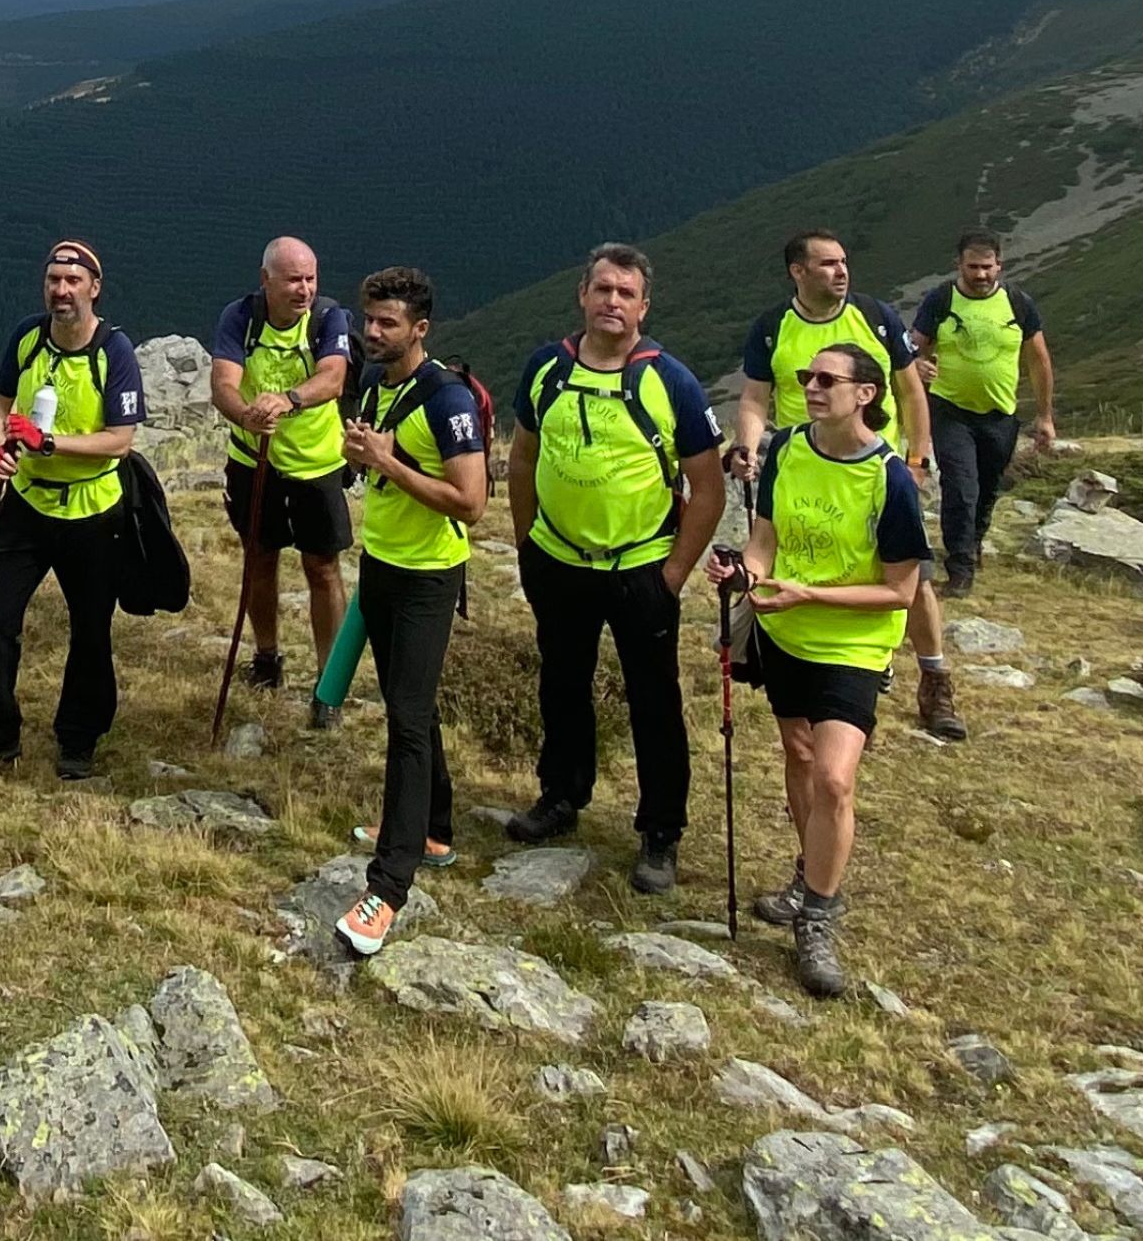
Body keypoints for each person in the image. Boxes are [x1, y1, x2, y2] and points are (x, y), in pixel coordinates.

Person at [498, 243, 725, 895]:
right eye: (603, 289)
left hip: (641, 568)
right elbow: (521, 459)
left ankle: (660, 832)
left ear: (644, 306)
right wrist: (528, 547)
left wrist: (673, 574)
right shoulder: (546, 370)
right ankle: (561, 797)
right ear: (582, 295)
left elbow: (706, 489)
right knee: (561, 683)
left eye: (626, 294)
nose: (613, 303)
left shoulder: (671, 382)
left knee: (654, 700)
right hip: (559, 561)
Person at [717, 340, 931, 997]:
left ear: (865, 394)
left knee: (836, 779)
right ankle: (808, 873)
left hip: (855, 644)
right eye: (807, 377)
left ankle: (817, 916)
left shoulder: (888, 478)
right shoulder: (784, 451)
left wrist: (810, 593)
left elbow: (900, 590)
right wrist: (744, 572)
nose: (810, 387)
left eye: (826, 380)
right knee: (801, 754)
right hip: (785, 631)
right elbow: (765, 540)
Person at [733, 231, 964, 743]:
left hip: (875, 473)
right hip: (803, 466)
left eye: (844, 263)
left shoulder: (876, 315)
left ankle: (933, 676)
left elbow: (910, 389)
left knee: (913, 579)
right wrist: (747, 448)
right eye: (828, 264)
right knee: (787, 562)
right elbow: (754, 398)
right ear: (798, 271)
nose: (841, 272)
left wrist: (917, 459)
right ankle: (812, 665)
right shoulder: (773, 328)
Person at [0, 238, 147, 780]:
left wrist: (49, 444)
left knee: (91, 631)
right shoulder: (29, 337)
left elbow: (121, 440)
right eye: (54, 280)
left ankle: (78, 741)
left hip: (94, 513)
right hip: (27, 504)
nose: (62, 291)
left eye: (73, 282)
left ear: (94, 289)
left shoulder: (113, 352)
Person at [333, 266, 490, 956]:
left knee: (405, 720)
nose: (372, 332)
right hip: (383, 563)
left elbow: (471, 502)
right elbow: (374, 463)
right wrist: (361, 460)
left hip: (429, 577)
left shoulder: (446, 398)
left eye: (388, 323)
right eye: (370, 320)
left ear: (420, 329)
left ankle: (389, 886)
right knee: (414, 708)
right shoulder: (373, 381)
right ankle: (435, 829)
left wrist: (389, 465)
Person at [209, 237, 357, 725]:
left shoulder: (330, 318)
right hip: (255, 462)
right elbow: (223, 385)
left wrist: (289, 400)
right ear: (265, 279)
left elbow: (334, 377)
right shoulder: (241, 317)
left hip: (316, 464)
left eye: (311, 277)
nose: (305, 289)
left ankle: (328, 684)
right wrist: (245, 417)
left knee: (323, 568)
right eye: (294, 279)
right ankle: (267, 658)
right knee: (259, 557)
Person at [906, 233, 1055, 598]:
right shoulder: (941, 300)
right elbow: (911, 347)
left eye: (987, 267)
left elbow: (1038, 360)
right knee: (961, 487)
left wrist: (1045, 416)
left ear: (999, 266)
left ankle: (973, 544)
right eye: (973, 267)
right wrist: (918, 364)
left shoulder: (1018, 303)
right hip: (950, 411)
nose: (981, 275)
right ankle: (960, 569)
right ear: (960, 266)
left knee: (987, 490)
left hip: (1001, 415)